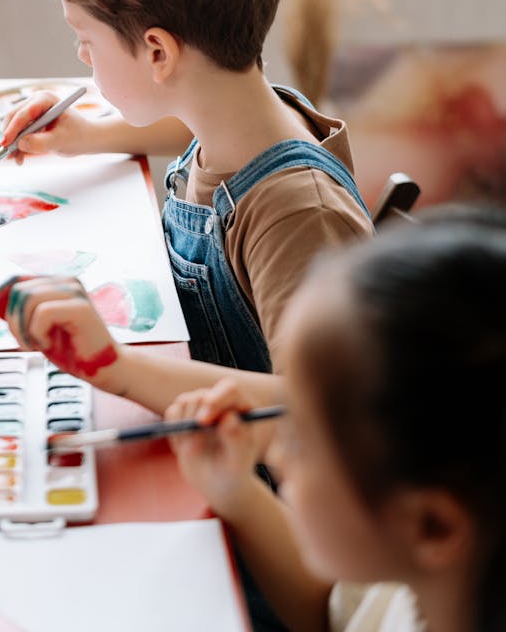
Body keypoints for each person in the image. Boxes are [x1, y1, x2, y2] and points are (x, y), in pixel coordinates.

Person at [0, 0, 371, 415]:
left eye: (86, 41)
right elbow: (177, 131)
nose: (82, 57)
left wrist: (114, 366)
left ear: (158, 52)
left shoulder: (298, 215)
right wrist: (85, 137)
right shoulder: (235, 114)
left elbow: (325, 418)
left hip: (256, 483)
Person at [164, 209, 506, 632]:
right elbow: (338, 614)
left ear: (430, 526)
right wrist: (237, 491)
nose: (275, 450)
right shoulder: (426, 582)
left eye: (301, 441)